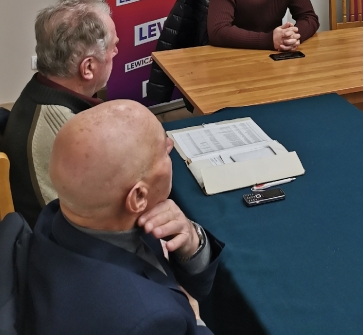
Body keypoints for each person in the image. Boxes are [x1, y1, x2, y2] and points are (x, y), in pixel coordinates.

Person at [25, 100, 222, 334]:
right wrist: (196, 320)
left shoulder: (60, 215)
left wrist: (191, 240)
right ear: (138, 197)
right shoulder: (148, 320)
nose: (170, 145)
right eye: (163, 151)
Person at [2, 0, 118, 227]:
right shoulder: (71, 134)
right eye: (113, 46)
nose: (115, 51)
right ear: (88, 67)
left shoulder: (36, 90)